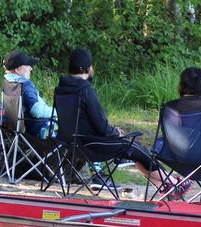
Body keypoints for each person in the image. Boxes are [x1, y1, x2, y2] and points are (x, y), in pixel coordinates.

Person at [53, 48, 162, 189]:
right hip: (92, 146)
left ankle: (164, 184)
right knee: (135, 147)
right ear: (89, 68)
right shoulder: (86, 90)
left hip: (69, 144)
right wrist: (115, 132)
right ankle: (173, 183)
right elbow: (101, 126)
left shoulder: (61, 89)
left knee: (134, 150)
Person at [2, 50, 54, 138]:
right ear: (18, 69)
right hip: (33, 128)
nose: (31, 68)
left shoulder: (7, 82)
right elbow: (36, 110)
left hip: (15, 127)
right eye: (28, 65)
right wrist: (55, 112)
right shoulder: (24, 85)